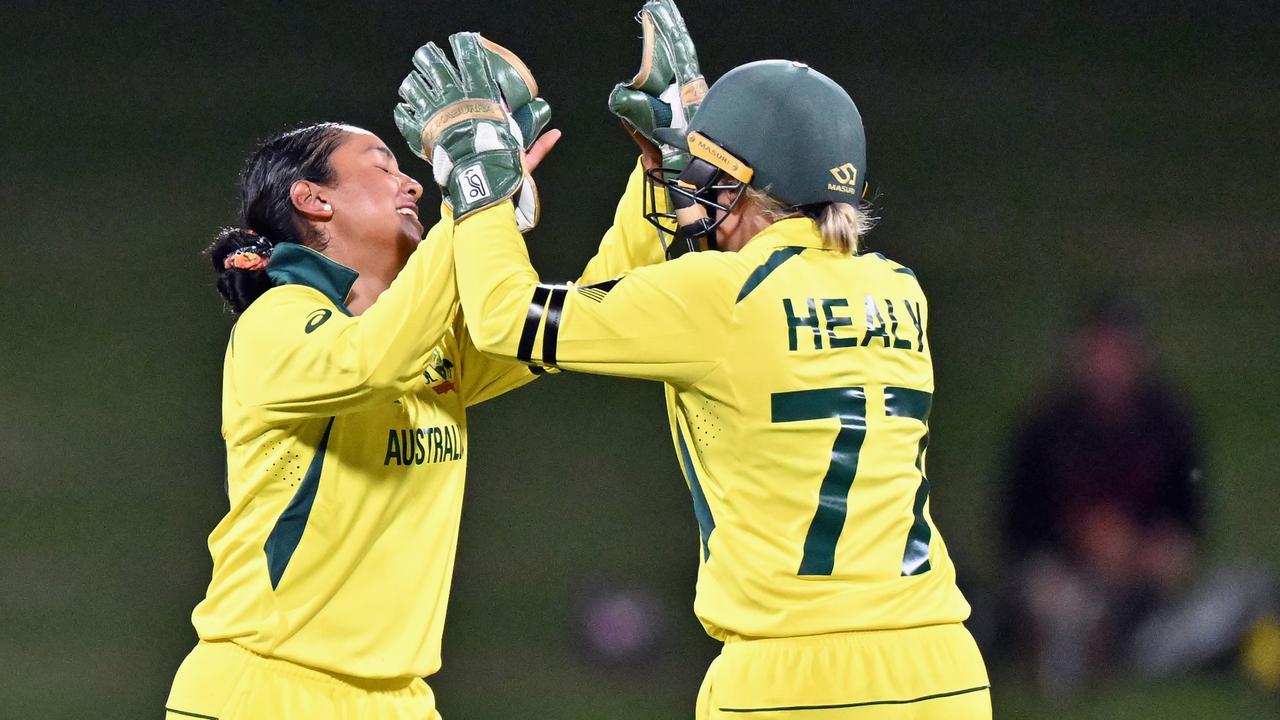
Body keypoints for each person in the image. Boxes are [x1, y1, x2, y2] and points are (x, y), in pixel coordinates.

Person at [398, 31, 991, 719]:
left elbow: (505, 317)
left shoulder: (720, 296)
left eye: (705, 176)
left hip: (794, 679)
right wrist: (682, 167)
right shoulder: (899, 290)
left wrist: (479, 179)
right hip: (942, 665)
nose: (690, 191)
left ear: (744, 186)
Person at [166, 35, 670, 717]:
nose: (411, 183)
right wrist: (474, 200)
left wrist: (663, 173)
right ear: (313, 200)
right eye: (382, 166)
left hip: (400, 700)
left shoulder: (433, 344)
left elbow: (581, 310)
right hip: (267, 691)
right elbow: (375, 361)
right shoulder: (276, 325)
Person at [1000, 298, 1276, 694]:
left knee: (1246, 589)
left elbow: (1189, 521)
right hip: (1067, 580)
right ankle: (1075, 654)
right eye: (1098, 353)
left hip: (1143, 593)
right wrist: (1080, 543)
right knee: (1054, 600)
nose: (1108, 367)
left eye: (1120, 353)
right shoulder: (1045, 426)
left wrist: (1158, 551)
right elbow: (1017, 534)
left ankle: (1142, 650)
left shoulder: (1169, 421)